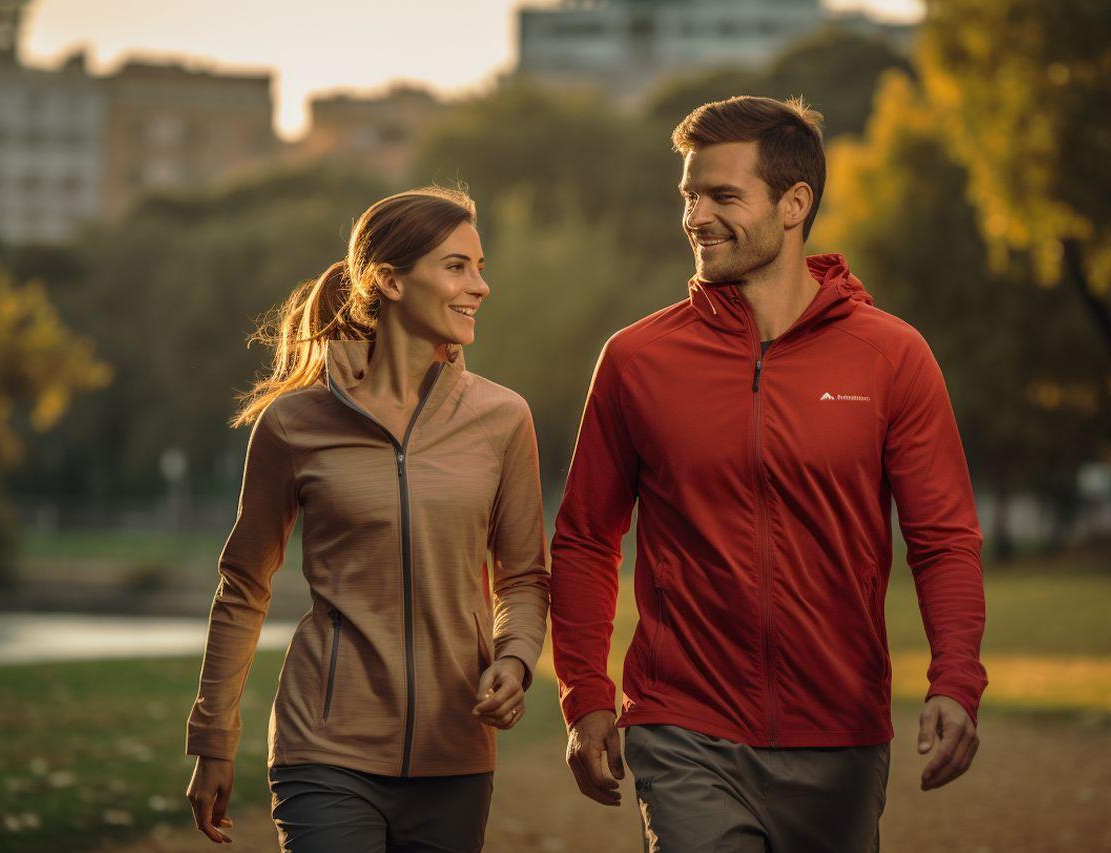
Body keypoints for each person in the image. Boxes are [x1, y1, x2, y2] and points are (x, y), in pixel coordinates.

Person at [550, 96, 987, 852]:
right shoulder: (636, 359)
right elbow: (586, 537)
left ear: (794, 204)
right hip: (683, 725)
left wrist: (956, 681)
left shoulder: (892, 356)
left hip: (841, 733)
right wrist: (586, 693)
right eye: (689, 195)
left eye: (722, 196)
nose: (696, 217)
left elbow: (943, 540)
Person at [183, 187, 550, 852]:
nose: (480, 286)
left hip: (455, 750)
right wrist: (214, 736)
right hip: (323, 747)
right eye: (457, 267)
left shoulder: (502, 418)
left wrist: (516, 659)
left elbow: (524, 576)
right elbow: (243, 585)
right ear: (389, 281)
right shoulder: (294, 424)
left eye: (480, 266)